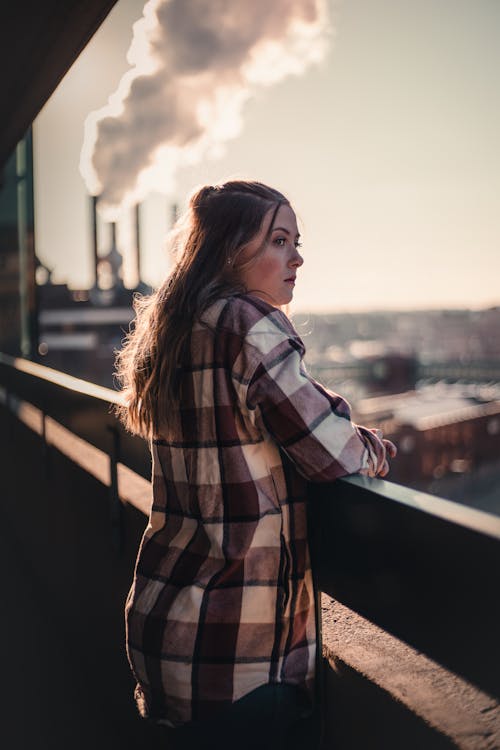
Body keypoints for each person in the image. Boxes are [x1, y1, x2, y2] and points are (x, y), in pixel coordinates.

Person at [116, 180, 396, 749]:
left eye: (296, 241)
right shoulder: (246, 321)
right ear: (227, 248)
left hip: (167, 632)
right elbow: (335, 452)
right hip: (234, 664)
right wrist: (374, 447)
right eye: (278, 240)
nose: (296, 257)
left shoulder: (174, 327)